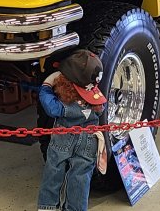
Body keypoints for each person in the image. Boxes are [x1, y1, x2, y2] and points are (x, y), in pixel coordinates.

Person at [37, 50, 108, 211]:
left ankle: (47, 207)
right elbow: (100, 111)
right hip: (90, 140)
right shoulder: (95, 98)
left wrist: (47, 85)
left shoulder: (64, 104)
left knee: (54, 172)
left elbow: (51, 107)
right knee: (80, 178)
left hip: (64, 137)